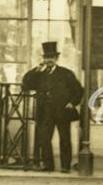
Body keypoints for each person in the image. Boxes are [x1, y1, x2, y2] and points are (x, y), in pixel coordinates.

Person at [21, 41, 84, 173]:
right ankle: (48, 165)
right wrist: (35, 70)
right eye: (46, 57)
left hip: (62, 111)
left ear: (56, 58)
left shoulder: (66, 73)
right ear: (43, 59)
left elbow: (78, 90)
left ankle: (65, 166)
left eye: (51, 57)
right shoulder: (40, 74)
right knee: (44, 139)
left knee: (65, 139)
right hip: (45, 112)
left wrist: (72, 103)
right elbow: (26, 84)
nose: (48, 60)